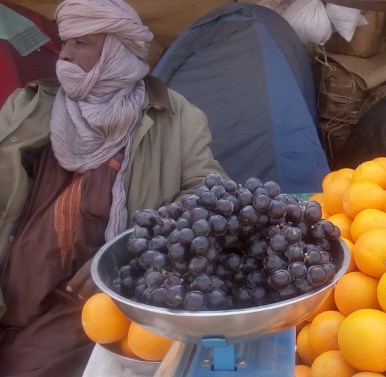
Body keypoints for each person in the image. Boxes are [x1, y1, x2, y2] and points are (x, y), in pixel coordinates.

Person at [0, 0, 226, 375]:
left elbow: (209, 199)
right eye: (65, 42)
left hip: (91, 298)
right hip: (13, 290)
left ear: (117, 51)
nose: (65, 54)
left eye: (81, 43)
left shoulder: (176, 116)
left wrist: (127, 253)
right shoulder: (29, 104)